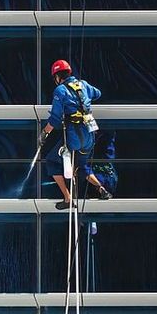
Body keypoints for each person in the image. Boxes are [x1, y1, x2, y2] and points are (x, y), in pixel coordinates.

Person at [39, 60, 113, 209]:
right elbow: (97, 93)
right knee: (81, 165)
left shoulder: (60, 91)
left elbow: (54, 118)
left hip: (74, 137)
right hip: (89, 136)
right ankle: (101, 189)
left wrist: (44, 134)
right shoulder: (83, 85)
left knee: (52, 162)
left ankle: (68, 198)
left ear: (57, 77)